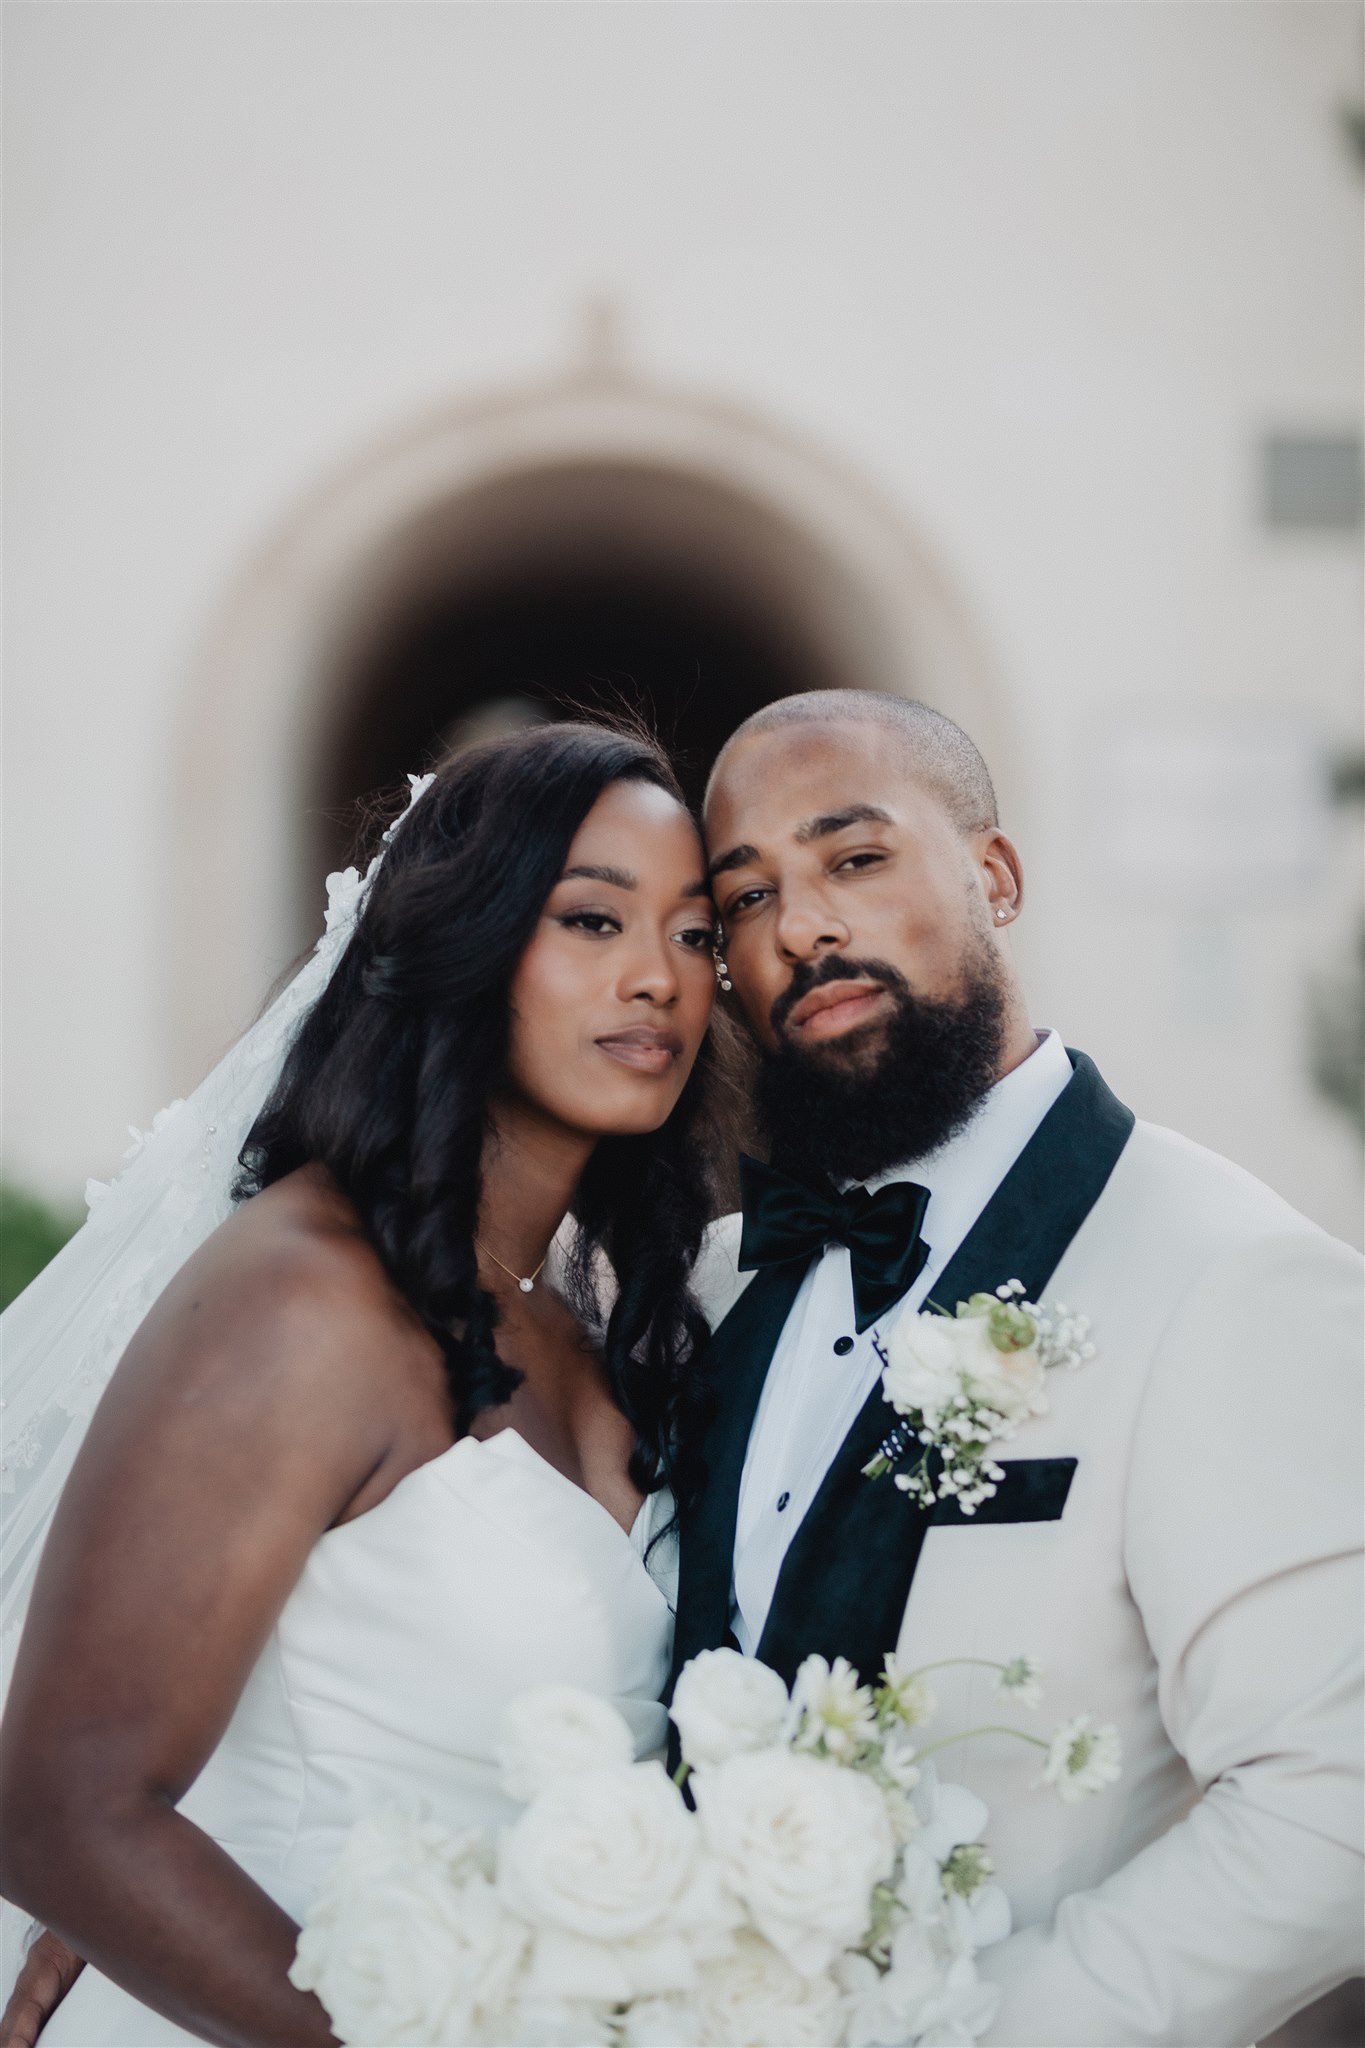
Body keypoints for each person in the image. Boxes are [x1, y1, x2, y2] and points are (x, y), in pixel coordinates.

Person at [0, 719, 734, 2047]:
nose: (657, 980)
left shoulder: (588, 1323)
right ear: (468, 946)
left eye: (693, 936)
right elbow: (62, 1812)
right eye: (591, 922)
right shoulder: (301, 1297)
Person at [670, 691, 1364, 2047]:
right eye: (745, 900)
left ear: (993, 877)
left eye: (853, 861)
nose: (802, 927)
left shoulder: (1226, 1273)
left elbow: (1332, 1796)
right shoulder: (705, 1283)